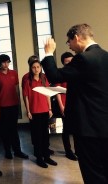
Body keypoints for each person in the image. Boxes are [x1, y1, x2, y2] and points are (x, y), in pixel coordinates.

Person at [42, 23, 108, 183]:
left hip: (88, 126)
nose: (70, 46)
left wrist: (49, 53)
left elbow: (55, 75)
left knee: (92, 171)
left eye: (69, 42)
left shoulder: (84, 58)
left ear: (77, 38)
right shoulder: (106, 56)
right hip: (104, 123)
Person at [0, 54, 28, 160]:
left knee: (14, 129)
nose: (6, 64)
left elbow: (16, 88)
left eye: (8, 62)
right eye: (4, 62)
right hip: (3, 105)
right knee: (5, 130)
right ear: (0, 63)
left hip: (14, 104)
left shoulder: (14, 73)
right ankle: (8, 151)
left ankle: (17, 150)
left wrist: (18, 101)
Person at [23, 59, 57, 168]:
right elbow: (26, 97)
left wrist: (50, 108)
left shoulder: (44, 78)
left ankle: (47, 156)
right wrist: (28, 111)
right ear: (31, 68)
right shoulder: (28, 80)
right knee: (37, 136)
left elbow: (47, 94)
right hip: (34, 112)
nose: (36, 69)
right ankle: (39, 158)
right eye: (34, 67)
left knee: (45, 135)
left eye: (38, 67)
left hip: (44, 110)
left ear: (40, 67)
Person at [55, 52, 77, 161]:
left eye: (71, 61)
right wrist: (61, 106)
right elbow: (58, 92)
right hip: (65, 104)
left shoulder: (77, 71)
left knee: (78, 128)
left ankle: (78, 150)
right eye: (67, 61)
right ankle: (68, 151)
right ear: (63, 62)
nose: (69, 63)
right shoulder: (62, 73)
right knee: (67, 129)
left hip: (76, 105)